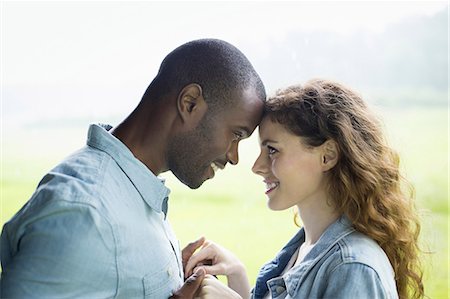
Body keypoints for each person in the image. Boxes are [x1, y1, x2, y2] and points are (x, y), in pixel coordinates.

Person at [0, 38, 266, 298]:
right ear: (190, 104)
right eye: (236, 135)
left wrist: (171, 275)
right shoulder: (87, 215)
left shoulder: (130, 188)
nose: (234, 157)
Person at [185, 79, 424, 299]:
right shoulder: (301, 252)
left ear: (327, 156)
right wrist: (237, 277)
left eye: (272, 150)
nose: (257, 167)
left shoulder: (352, 267)